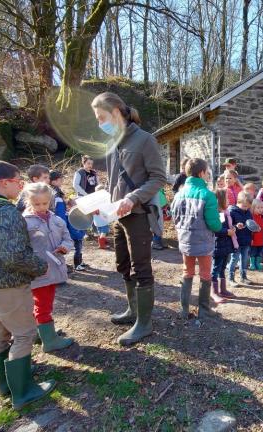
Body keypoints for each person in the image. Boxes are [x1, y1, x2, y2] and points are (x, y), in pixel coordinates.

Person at [0, 160, 55, 410]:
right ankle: (23, 390)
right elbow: (14, 255)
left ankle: (5, 384)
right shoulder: (5, 212)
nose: (21, 185)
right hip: (8, 285)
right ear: (4, 182)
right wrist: (39, 266)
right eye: (18, 181)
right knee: (24, 333)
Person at [92, 92, 166, 346]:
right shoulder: (114, 142)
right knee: (122, 265)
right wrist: (99, 202)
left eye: (101, 117)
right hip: (117, 215)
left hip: (138, 215)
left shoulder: (145, 140)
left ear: (115, 113)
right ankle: (133, 311)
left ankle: (144, 324)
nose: (100, 123)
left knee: (141, 268)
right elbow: (115, 182)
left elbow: (158, 178)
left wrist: (133, 198)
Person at [21, 183, 75, 352]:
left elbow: (68, 238)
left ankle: (42, 332)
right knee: (42, 304)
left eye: (44, 203)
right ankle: (49, 341)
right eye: (37, 204)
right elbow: (21, 248)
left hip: (54, 267)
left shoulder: (56, 219)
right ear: (28, 202)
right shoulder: (23, 222)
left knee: (45, 302)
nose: (41, 207)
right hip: (38, 272)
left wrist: (65, 247)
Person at [171, 158, 222, 319]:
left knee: (187, 272)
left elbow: (175, 217)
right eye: (207, 173)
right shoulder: (208, 195)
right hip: (203, 242)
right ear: (201, 173)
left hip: (185, 240)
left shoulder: (179, 194)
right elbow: (214, 224)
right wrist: (220, 226)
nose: (208, 176)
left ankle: (184, 310)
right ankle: (204, 309)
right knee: (206, 274)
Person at [50, 171, 87, 271]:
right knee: (71, 244)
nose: (62, 181)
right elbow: (59, 211)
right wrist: (63, 225)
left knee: (74, 243)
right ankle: (72, 264)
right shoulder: (55, 194)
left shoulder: (57, 192)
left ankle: (76, 262)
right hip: (62, 223)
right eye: (60, 179)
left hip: (63, 222)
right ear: (54, 181)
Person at [210, 189, 236, 303]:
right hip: (218, 246)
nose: (228, 200)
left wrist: (234, 228)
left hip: (225, 246)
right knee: (215, 269)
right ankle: (214, 292)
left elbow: (227, 225)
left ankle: (223, 289)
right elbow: (216, 229)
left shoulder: (226, 212)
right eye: (226, 198)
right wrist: (227, 232)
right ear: (220, 200)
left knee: (223, 267)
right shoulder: (217, 213)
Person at [227, 191, 254, 288]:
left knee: (244, 259)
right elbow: (229, 226)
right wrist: (236, 226)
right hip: (236, 241)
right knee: (234, 259)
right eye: (244, 206)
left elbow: (251, 225)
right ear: (238, 202)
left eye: (248, 206)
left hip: (246, 240)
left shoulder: (249, 213)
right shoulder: (232, 211)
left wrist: (255, 228)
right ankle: (231, 278)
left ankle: (243, 277)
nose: (246, 208)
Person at [249, 199, 263, 271]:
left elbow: (262, 228)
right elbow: (250, 230)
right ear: (253, 208)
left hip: (260, 239)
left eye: (261, 208)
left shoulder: (261, 217)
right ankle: (252, 264)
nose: (260, 209)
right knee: (253, 252)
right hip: (254, 240)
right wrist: (251, 239)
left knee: (259, 252)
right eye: (258, 208)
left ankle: (257, 263)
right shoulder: (252, 218)